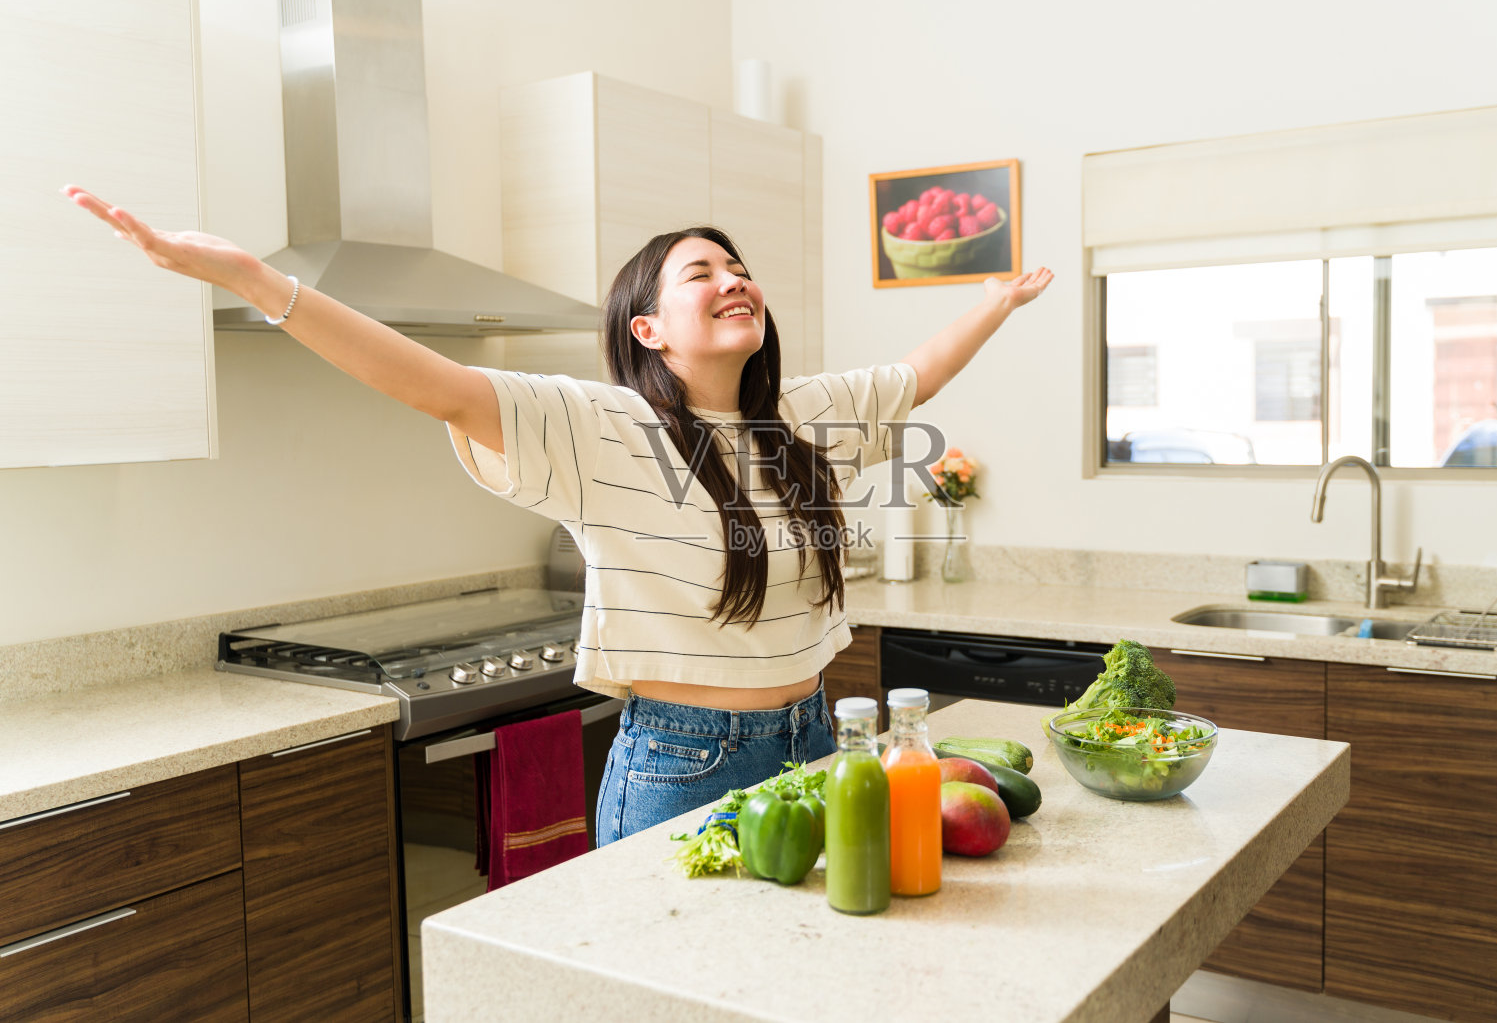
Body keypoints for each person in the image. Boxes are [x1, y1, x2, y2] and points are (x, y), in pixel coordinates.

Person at [62, 186, 1053, 845]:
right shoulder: (598, 424)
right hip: (683, 761)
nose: (731, 278)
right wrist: (251, 279)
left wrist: (999, 300)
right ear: (648, 329)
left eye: (736, 267)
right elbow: (431, 382)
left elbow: (917, 373)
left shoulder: (805, 418)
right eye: (699, 272)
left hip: (809, 739)